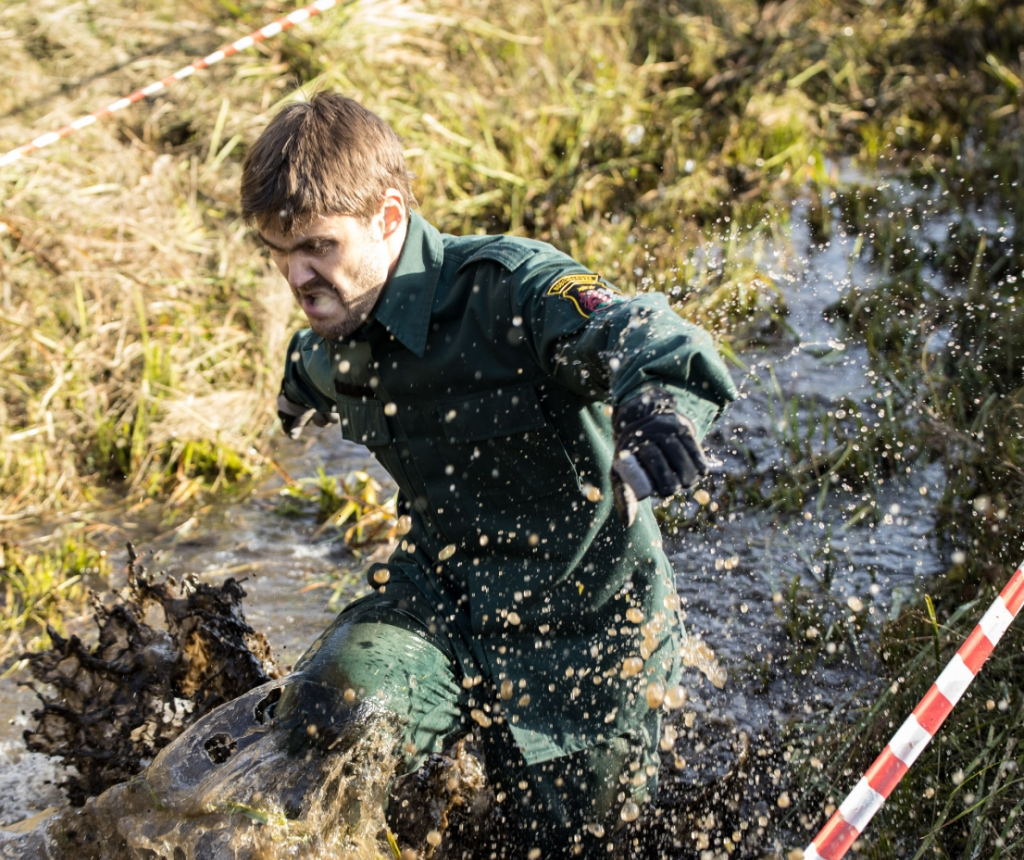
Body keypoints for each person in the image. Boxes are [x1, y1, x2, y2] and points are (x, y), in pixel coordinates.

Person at [245, 92, 737, 856]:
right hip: (444, 602)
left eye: (316, 247)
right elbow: (299, 390)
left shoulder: (508, 290)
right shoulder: (327, 346)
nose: (295, 277)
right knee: (329, 713)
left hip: (589, 627)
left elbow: (639, 329)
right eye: (276, 252)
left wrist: (655, 407)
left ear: (387, 217)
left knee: (576, 843)